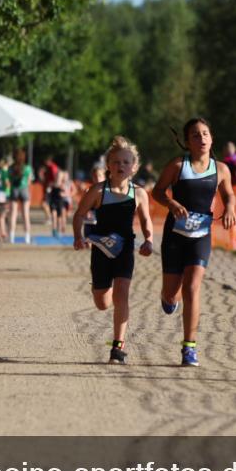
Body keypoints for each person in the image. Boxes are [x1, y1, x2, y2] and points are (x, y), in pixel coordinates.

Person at [152, 117, 236, 367]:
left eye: (205, 134)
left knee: (192, 287)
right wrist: (172, 203)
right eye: (195, 135)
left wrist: (231, 207)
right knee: (172, 293)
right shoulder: (178, 165)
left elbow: (229, 194)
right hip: (175, 236)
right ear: (187, 142)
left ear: (211, 138)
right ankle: (168, 298)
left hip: (201, 235)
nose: (201, 138)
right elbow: (157, 191)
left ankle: (189, 347)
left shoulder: (221, 169)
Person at [73, 136, 154, 364]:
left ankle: (118, 347)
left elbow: (146, 220)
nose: (121, 166)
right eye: (116, 162)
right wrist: (78, 236)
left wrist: (148, 240)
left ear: (134, 167)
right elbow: (80, 214)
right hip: (101, 250)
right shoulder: (98, 190)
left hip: (125, 248)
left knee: (122, 293)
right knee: (102, 303)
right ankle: (98, 288)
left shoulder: (139, 193)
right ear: (108, 165)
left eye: (126, 162)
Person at [9, 148, 34, 244]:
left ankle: (11, 237)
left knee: (13, 215)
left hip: (14, 190)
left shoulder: (11, 168)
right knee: (26, 215)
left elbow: (9, 180)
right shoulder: (27, 168)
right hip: (24, 190)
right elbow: (29, 181)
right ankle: (27, 237)